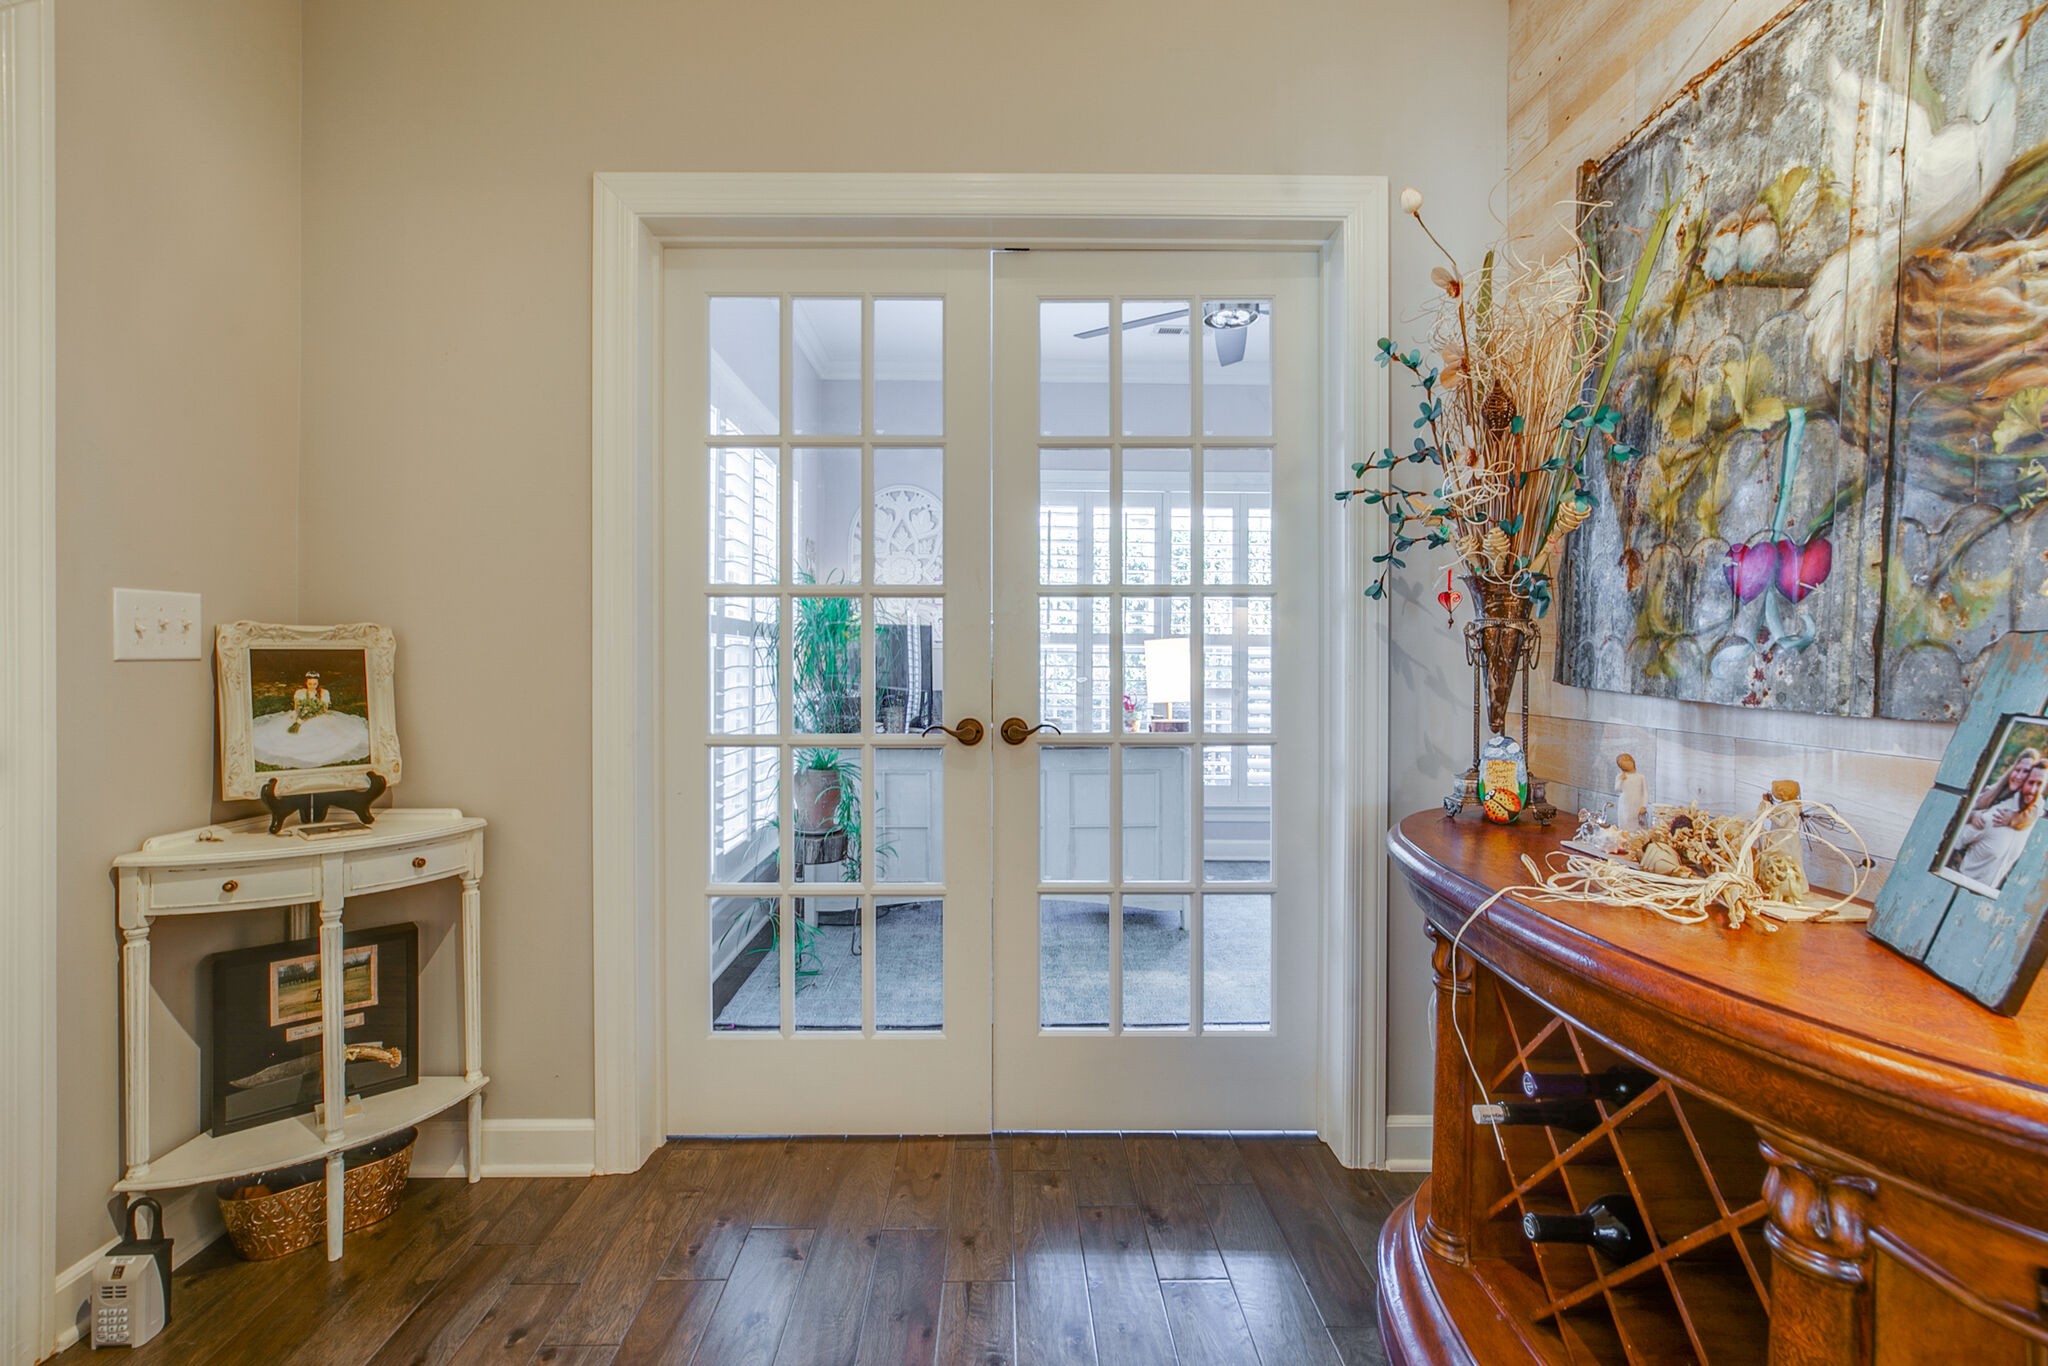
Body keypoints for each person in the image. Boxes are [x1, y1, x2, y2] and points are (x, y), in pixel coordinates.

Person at [1949, 767, 2045, 892]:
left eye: (2039, 784)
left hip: (1989, 896)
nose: (2033, 790)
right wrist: (1971, 815)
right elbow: (1952, 839)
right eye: (2031, 782)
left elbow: (2038, 806)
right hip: (1959, 888)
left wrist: (2014, 818)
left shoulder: (2032, 818)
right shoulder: (1994, 816)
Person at [1971, 746, 2042, 826]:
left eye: (2026, 772)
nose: (2018, 776)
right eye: (2017, 770)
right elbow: (1969, 807)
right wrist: (1973, 815)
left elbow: (2034, 812)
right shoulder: (1995, 789)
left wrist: (2013, 818)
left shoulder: (2031, 797)